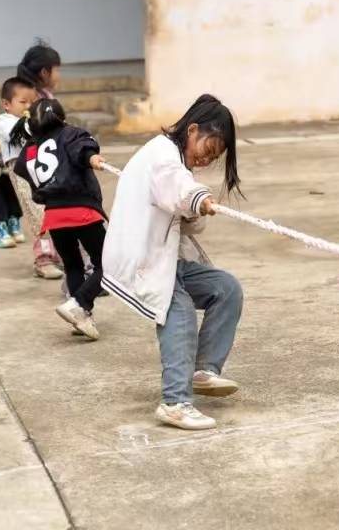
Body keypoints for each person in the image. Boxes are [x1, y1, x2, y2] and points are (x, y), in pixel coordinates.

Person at [100, 94, 244, 431]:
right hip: (142, 258)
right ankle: (175, 401)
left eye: (216, 156)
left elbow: (183, 211)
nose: (208, 157)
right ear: (192, 129)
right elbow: (178, 188)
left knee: (226, 289)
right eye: (209, 147)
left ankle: (203, 370)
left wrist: (198, 205)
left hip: (166, 259)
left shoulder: (177, 160)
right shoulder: (164, 155)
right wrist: (197, 196)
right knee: (176, 312)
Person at [9, 97, 106, 340]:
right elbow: (83, 148)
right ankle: (80, 304)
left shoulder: (30, 148)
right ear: (62, 118)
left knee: (73, 265)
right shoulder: (71, 133)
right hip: (82, 210)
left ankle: (82, 316)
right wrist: (92, 157)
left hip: (54, 215)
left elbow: (21, 167)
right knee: (111, 265)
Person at [7, 46, 65, 280]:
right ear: (44, 72)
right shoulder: (25, 98)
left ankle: (59, 251)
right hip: (26, 166)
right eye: (57, 70)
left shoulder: (47, 98)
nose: (59, 75)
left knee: (53, 208)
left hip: (48, 162)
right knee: (36, 212)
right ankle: (43, 258)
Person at [0, 76, 39, 245]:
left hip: (38, 168)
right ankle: (43, 258)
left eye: (33, 102)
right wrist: (37, 123)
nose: (29, 106)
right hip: (20, 171)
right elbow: (19, 133)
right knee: (35, 212)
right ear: (6, 104)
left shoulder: (32, 121)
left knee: (46, 211)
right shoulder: (4, 121)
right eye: (23, 102)